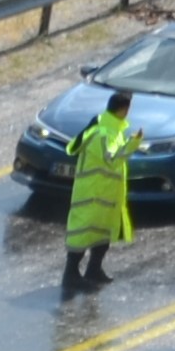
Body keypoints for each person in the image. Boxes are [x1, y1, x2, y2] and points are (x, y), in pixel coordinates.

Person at [62, 89, 137, 296]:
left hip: (102, 193)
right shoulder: (104, 133)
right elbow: (112, 158)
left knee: (100, 233)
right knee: (83, 233)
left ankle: (93, 270)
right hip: (93, 194)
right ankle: (71, 275)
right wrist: (134, 145)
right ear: (123, 110)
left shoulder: (108, 127)